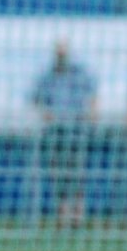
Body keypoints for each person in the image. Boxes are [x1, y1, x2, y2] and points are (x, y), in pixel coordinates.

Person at [31, 41, 96, 226]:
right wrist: (47, 114)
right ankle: (63, 215)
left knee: (77, 173)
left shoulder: (79, 74)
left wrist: (90, 115)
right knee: (58, 174)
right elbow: (37, 99)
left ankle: (77, 215)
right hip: (55, 132)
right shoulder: (47, 76)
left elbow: (92, 97)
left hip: (77, 130)